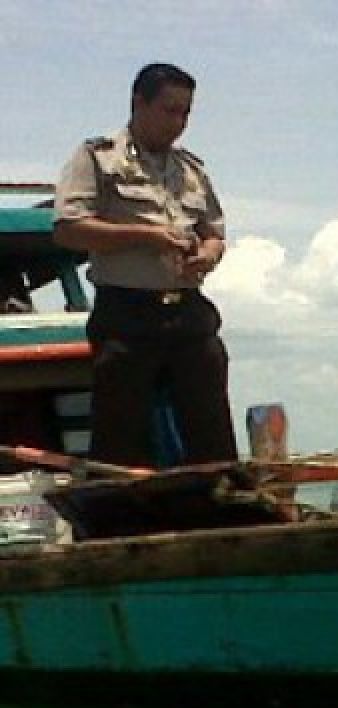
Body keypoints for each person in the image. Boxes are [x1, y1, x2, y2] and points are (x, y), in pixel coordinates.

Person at [53, 63, 236, 467]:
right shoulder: (97, 158)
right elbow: (69, 228)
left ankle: (222, 511)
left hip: (187, 310)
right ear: (139, 103)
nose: (179, 122)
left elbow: (215, 234)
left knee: (212, 429)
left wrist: (207, 254)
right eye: (169, 110)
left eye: (186, 113)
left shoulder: (190, 168)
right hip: (126, 314)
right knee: (121, 436)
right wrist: (144, 236)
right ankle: (119, 521)